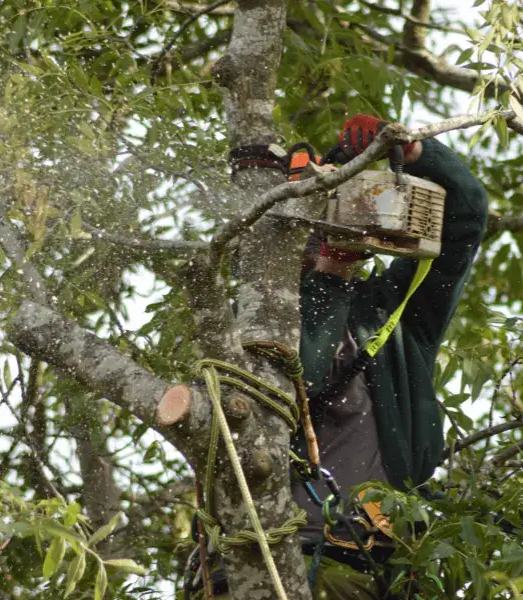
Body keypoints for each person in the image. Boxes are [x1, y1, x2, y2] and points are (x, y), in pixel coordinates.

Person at [199, 114, 488, 599]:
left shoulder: (390, 315)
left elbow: (466, 218)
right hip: (272, 566)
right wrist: (330, 273)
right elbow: (301, 378)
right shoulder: (245, 327)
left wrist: (417, 153)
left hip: (376, 565)